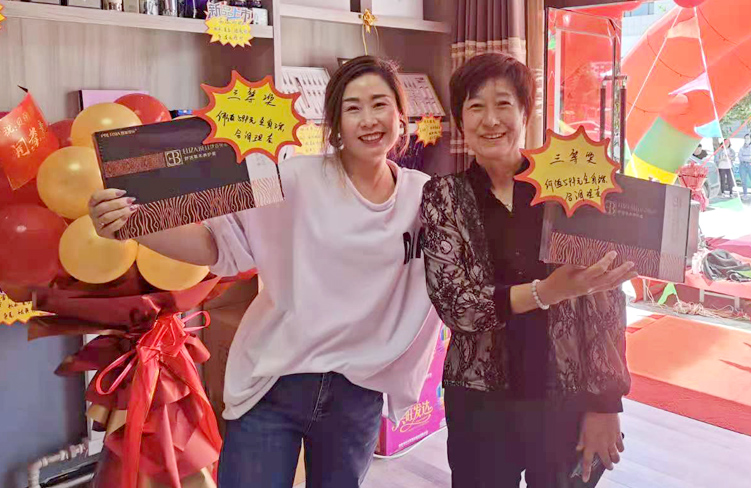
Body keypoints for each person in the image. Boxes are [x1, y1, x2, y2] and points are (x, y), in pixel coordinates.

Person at [87, 56, 440, 488]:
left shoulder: (426, 199)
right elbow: (218, 247)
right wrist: (131, 225)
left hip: (357, 392)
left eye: (380, 104)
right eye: (353, 108)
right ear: (335, 125)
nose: (368, 119)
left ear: (401, 117)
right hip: (275, 381)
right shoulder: (292, 178)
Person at [419, 52, 637, 488]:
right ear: (460, 120)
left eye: (503, 104)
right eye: (475, 106)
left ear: (525, 113)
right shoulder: (443, 197)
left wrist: (605, 404)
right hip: (480, 403)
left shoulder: (565, 185)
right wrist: (547, 291)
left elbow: (604, 300)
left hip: (566, 397)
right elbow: (458, 307)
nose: (490, 119)